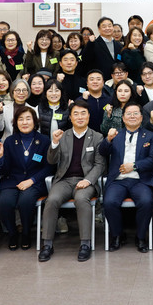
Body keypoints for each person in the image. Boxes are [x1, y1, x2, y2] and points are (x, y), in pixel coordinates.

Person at [38, 100, 105, 262]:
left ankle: (85, 244)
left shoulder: (97, 137)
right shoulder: (63, 136)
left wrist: (88, 180)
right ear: (70, 117)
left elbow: (100, 164)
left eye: (83, 113)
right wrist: (54, 143)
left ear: (89, 116)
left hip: (85, 181)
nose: (80, 117)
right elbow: (52, 160)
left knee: (81, 199)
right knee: (52, 200)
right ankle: (47, 244)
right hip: (64, 180)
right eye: (76, 114)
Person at [99, 103, 153, 253]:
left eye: (135, 113)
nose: (132, 116)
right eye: (129, 114)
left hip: (140, 180)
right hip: (118, 180)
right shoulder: (116, 135)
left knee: (146, 202)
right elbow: (103, 152)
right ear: (123, 118)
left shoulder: (150, 136)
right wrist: (108, 140)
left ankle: (141, 237)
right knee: (109, 202)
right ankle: (118, 235)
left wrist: (135, 166)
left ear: (141, 118)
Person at [0, 106, 51, 250]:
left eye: (28, 119)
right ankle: (12, 233)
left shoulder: (44, 140)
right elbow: (5, 170)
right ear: (16, 122)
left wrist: (31, 181)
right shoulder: (9, 141)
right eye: (20, 119)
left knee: (26, 201)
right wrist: (0, 157)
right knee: (5, 202)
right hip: (12, 181)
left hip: (35, 182)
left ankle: (26, 233)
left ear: (35, 121)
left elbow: (49, 167)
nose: (24, 122)